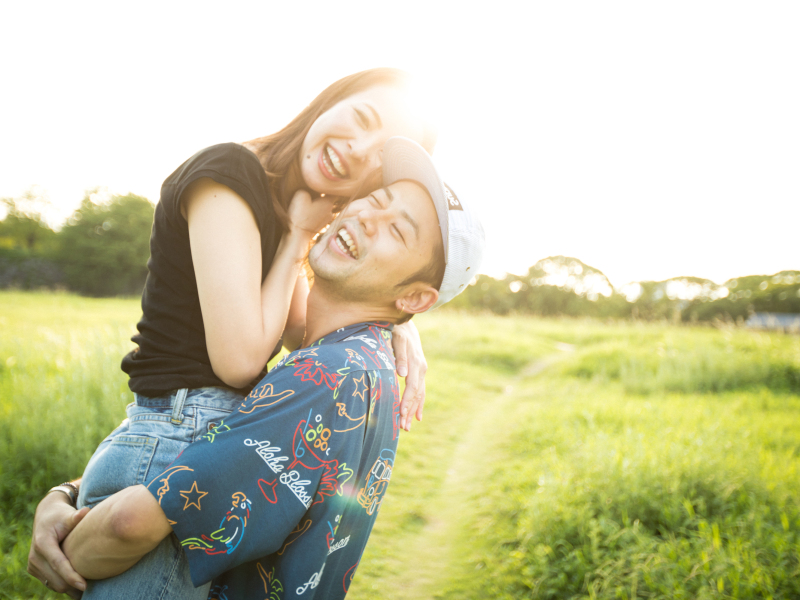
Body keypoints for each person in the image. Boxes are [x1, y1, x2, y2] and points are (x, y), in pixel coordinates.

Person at [27, 69, 437, 597]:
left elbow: (303, 332)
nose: (358, 150)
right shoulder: (229, 175)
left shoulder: (282, 206)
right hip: (174, 438)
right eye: (360, 119)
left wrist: (392, 321)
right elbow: (241, 359)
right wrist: (298, 237)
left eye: (380, 155)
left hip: (205, 447)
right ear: (327, 102)